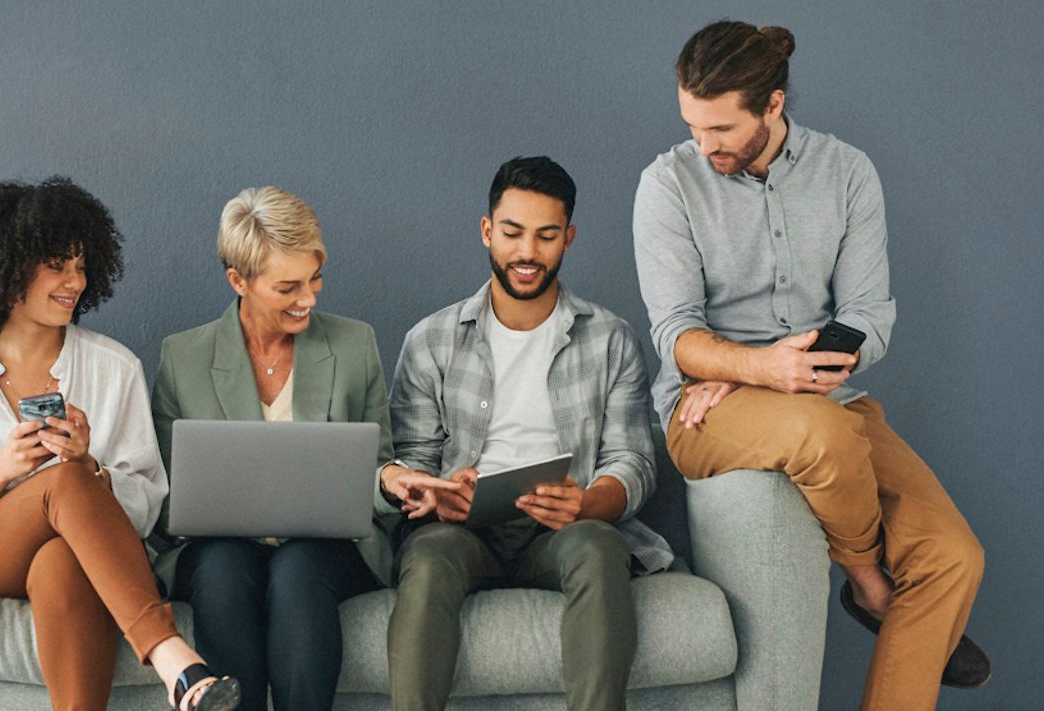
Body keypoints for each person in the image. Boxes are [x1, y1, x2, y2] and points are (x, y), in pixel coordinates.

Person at [632, 21, 992, 710]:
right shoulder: (668, 184)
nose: (703, 145)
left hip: (824, 394)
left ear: (772, 105)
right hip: (703, 412)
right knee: (818, 435)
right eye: (691, 125)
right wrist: (753, 370)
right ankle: (868, 584)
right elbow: (676, 334)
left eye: (719, 129)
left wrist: (776, 367)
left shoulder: (847, 172)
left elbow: (869, 313)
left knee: (954, 556)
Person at [0, 177, 239, 711]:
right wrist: (2, 468)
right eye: (57, 266)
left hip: (74, 546)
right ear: (8, 269)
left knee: (64, 555)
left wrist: (93, 468)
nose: (75, 282)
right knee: (61, 479)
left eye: (81, 266)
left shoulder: (116, 367)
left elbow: (147, 502)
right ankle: (173, 656)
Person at [150, 187, 457, 710]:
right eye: (288, 286)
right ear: (238, 281)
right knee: (222, 570)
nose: (309, 299)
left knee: (297, 571)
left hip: (325, 547)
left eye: (315, 279)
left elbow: (375, 460)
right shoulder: (184, 358)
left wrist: (389, 479)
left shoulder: (353, 344)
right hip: (222, 546)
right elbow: (168, 494)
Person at [386, 156, 671, 711]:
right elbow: (409, 459)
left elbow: (633, 461)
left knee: (598, 546)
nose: (527, 253)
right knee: (427, 559)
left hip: (562, 531)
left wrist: (588, 503)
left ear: (569, 237)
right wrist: (437, 492)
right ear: (488, 231)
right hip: (461, 530)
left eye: (545, 236)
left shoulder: (610, 339)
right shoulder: (431, 340)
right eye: (513, 233)